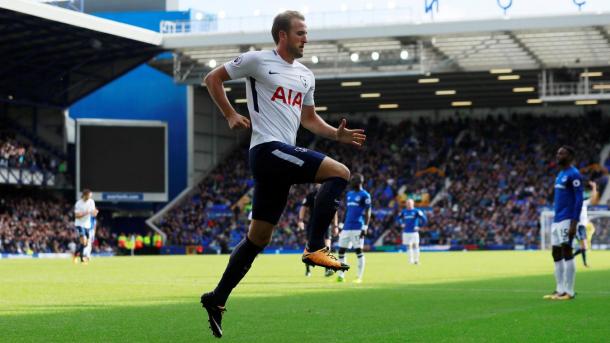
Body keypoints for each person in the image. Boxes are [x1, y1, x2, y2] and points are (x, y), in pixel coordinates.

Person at [199, 10, 366, 338]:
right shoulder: (257, 61)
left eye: (306, 33)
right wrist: (231, 114)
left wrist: (336, 134)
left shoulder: (306, 76)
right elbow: (212, 79)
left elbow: (309, 119)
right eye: (301, 33)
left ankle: (216, 299)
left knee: (259, 238)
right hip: (266, 150)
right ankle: (315, 246)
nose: (306, 38)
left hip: (281, 158)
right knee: (340, 172)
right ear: (283, 35)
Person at [543, 146, 582, 301]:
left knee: (567, 251)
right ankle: (560, 290)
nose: (558, 155)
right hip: (556, 219)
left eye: (562, 153)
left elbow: (578, 200)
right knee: (556, 253)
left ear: (570, 156)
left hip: (567, 219)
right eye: (558, 152)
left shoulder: (574, 174)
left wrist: (574, 222)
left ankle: (569, 292)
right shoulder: (560, 174)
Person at [298, 184, 339, 277]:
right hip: (313, 224)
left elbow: (334, 211)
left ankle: (327, 269)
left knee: (327, 247)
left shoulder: (330, 195)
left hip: (326, 224)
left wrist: (335, 225)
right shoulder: (311, 195)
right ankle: (308, 268)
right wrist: (300, 220)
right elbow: (303, 208)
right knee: (309, 247)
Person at [336, 173, 371, 283]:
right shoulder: (349, 194)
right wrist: (341, 224)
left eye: (353, 181)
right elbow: (347, 210)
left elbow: (368, 211)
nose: (351, 183)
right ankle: (341, 275)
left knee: (358, 251)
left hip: (357, 227)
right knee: (341, 251)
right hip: (346, 227)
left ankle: (359, 277)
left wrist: (365, 227)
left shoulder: (365, 195)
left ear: (359, 182)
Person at [573, 181, 599, 267]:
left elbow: (593, 198)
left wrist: (594, 187)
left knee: (584, 247)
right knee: (584, 246)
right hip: (578, 226)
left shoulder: (584, 203)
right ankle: (583, 263)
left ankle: (571, 257)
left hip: (583, 227)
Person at [397, 199, 428, 265]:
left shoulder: (416, 211)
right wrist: (401, 223)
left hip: (414, 232)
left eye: (410, 203)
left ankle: (416, 260)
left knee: (416, 245)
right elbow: (398, 218)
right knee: (408, 246)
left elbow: (424, 219)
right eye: (407, 203)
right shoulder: (403, 211)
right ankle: (410, 261)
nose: (408, 204)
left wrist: (419, 226)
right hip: (406, 232)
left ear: (413, 204)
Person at [73, 189, 97, 264]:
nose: (90, 198)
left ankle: (75, 255)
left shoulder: (91, 201)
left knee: (85, 243)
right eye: (89, 196)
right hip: (80, 224)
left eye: (90, 196)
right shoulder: (78, 203)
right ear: (85, 195)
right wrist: (86, 213)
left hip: (87, 225)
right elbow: (76, 216)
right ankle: (82, 258)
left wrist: (95, 213)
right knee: (83, 240)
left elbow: (93, 213)